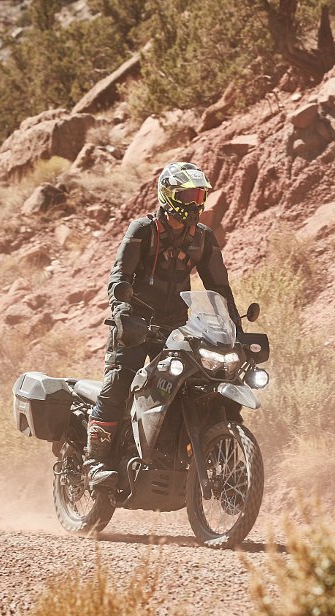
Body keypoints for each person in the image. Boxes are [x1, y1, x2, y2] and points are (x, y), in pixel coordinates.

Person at [86, 162, 242, 489]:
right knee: (118, 383)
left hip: (174, 330)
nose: (197, 203)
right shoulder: (142, 231)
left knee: (200, 386)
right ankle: (94, 462)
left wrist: (236, 332)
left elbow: (220, 290)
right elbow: (120, 277)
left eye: (200, 195)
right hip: (134, 325)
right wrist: (122, 311)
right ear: (169, 196)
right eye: (189, 195)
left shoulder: (202, 238)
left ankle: (209, 458)